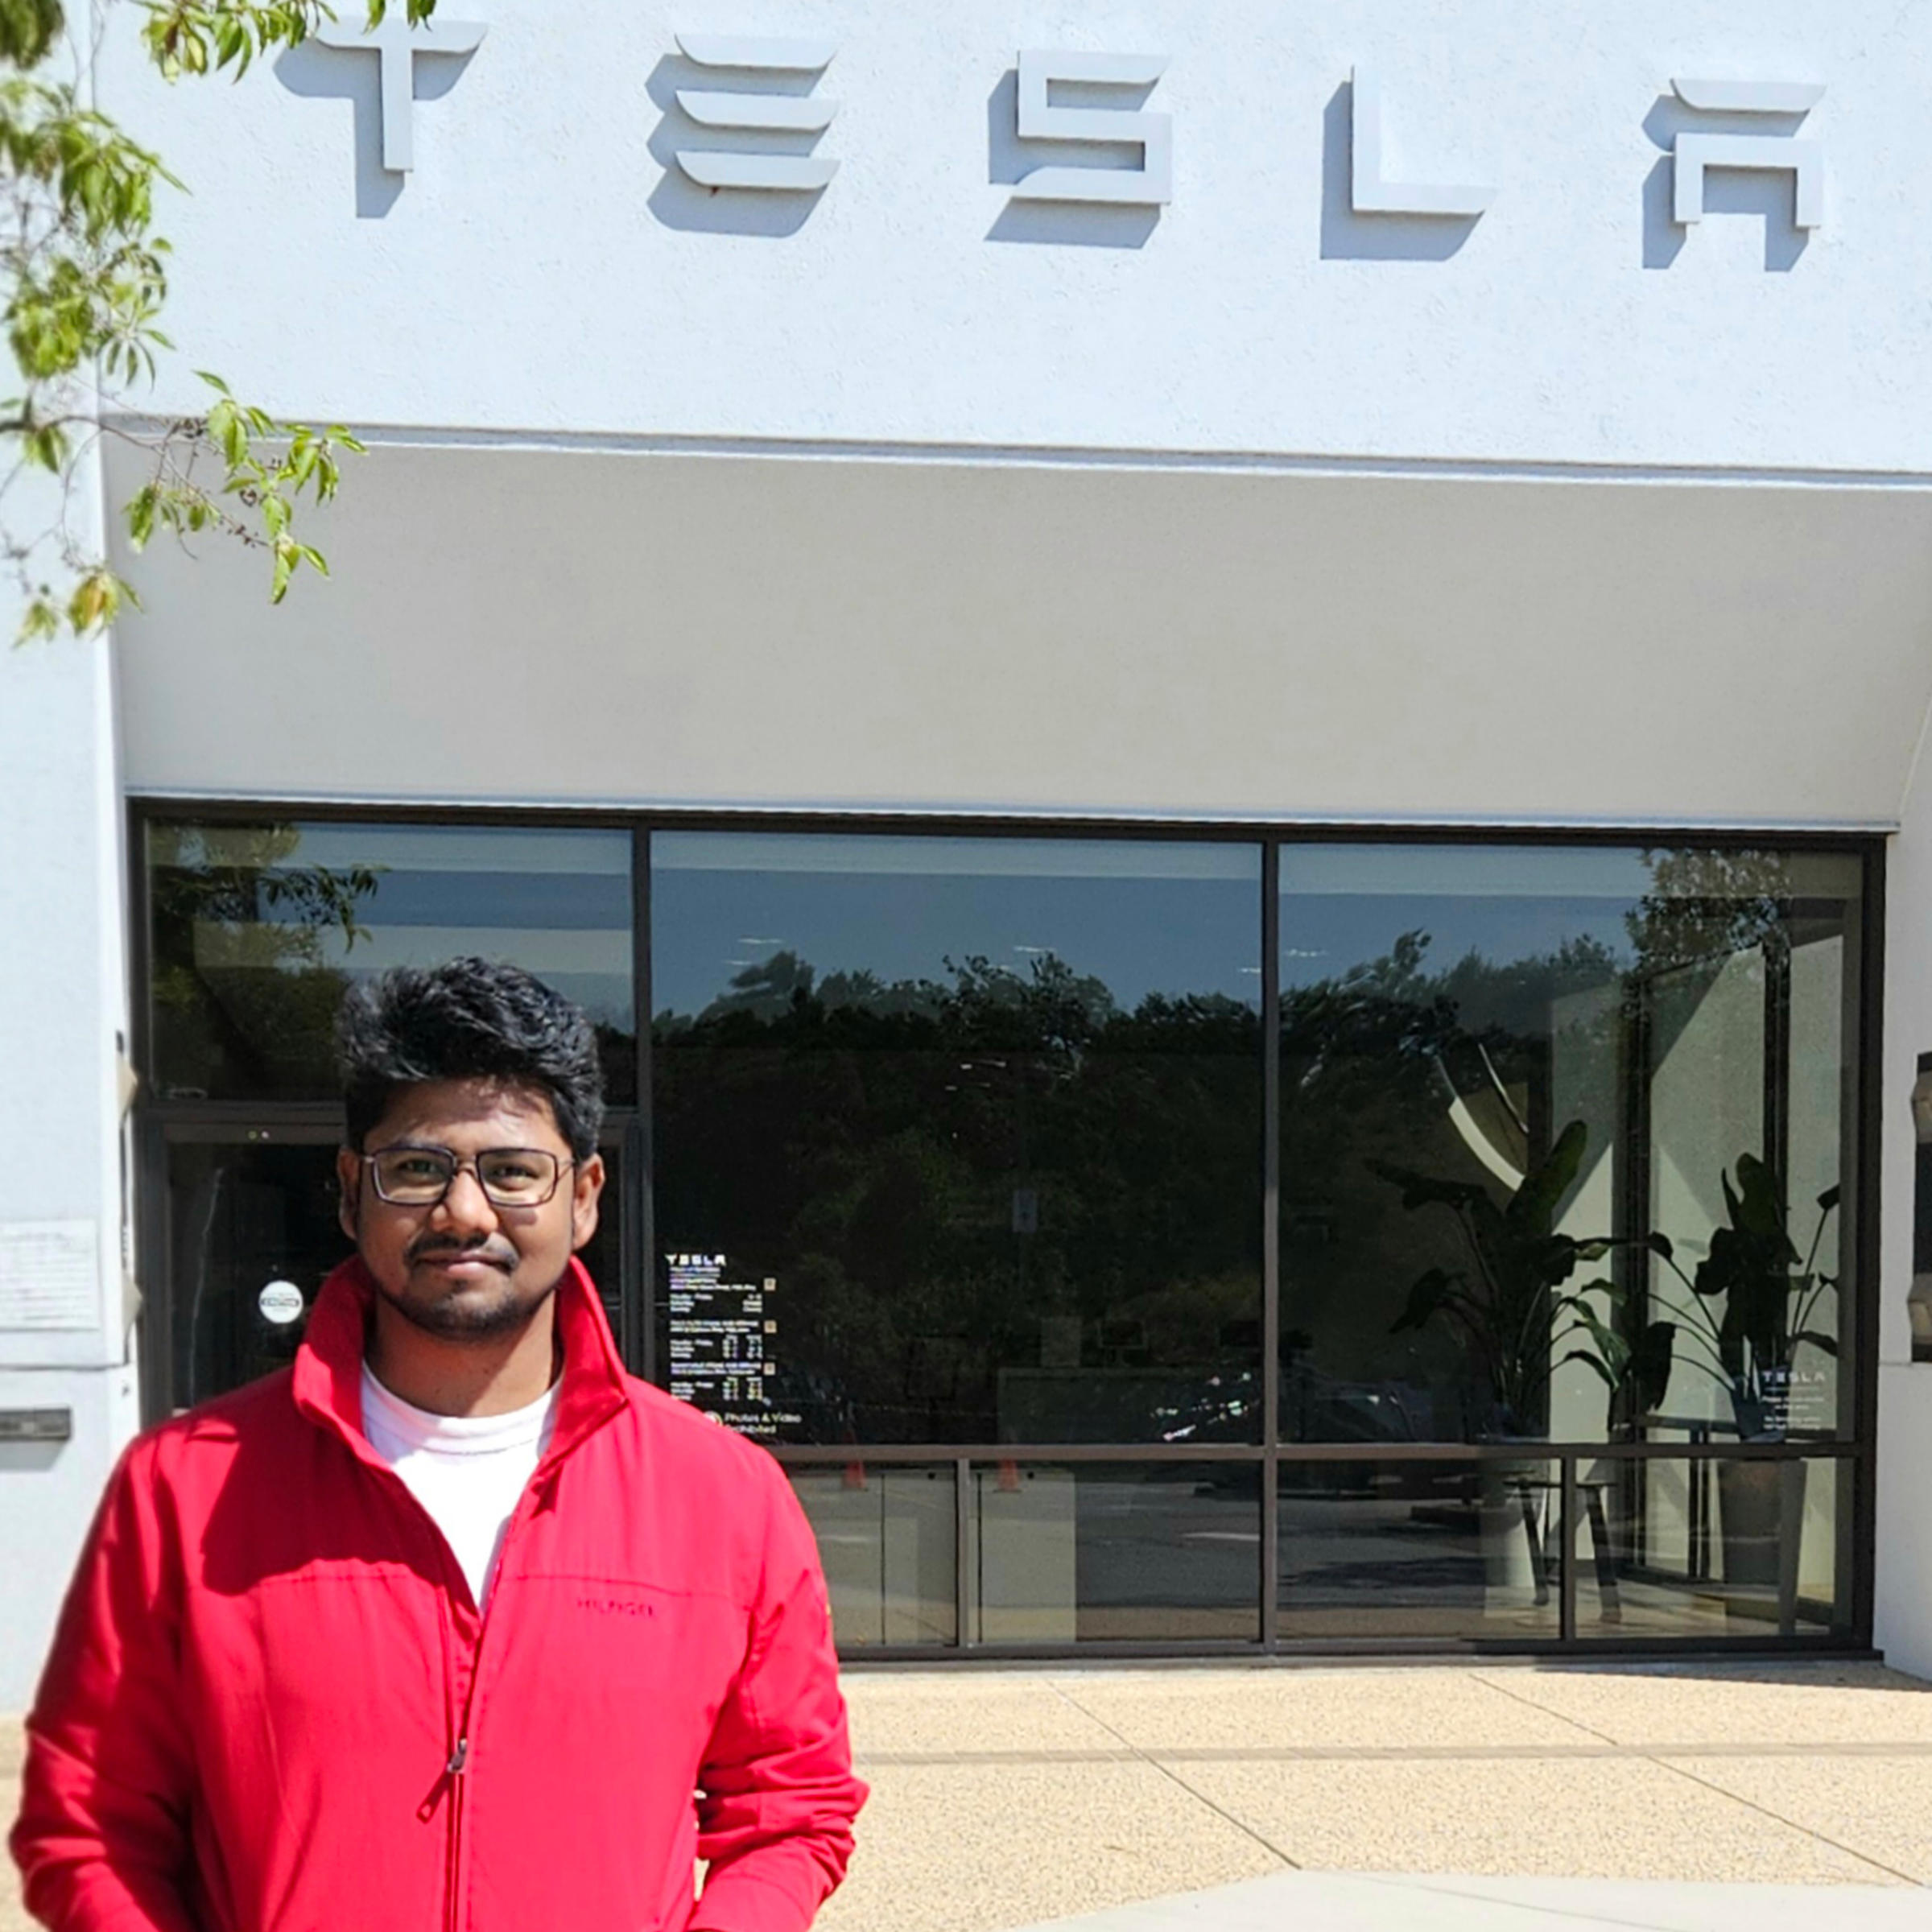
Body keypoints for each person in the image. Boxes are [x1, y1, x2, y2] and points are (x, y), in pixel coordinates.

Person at [12, 956, 866, 1932]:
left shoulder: (726, 1498)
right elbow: (90, 1824)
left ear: (583, 1197)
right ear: (349, 1192)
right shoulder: (184, 1488)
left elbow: (790, 1814)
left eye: (512, 1171)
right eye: (418, 1169)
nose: (464, 1212)